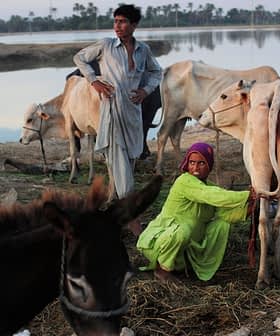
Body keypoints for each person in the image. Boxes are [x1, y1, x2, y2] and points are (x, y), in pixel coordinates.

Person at [73, 4, 162, 200]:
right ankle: (129, 210)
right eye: (115, 21)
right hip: (112, 110)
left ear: (134, 25)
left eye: (122, 22)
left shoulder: (143, 50)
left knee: (130, 158)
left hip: (133, 113)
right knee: (118, 157)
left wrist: (145, 91)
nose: (117, 26)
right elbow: (79, 58)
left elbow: (157, 72)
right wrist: (94, 80)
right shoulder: (106, 46)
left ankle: (119, 202)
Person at [137, 142, 257, 282]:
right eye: (192, 162)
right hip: (162, 240)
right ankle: (163, 269)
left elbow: (225, 214)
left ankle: (196, 263)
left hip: (186, 244)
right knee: (183, 231)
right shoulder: (184, 181)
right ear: (187, 163)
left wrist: (252, 204)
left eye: (201, 163)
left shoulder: (210, 187)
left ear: (209, 166)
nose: (195, 167)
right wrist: (246, 195)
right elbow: (211, 195)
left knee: (221, 224)